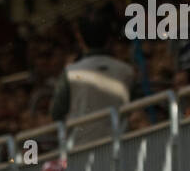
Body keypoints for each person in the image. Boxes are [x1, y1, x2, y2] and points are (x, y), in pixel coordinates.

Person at [51, 12, 134, 147]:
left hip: (81, 148)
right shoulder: (126, 70)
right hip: (119, 145)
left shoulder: (70, 72)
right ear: (109, 38)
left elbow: (56, 113)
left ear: (80, 39)